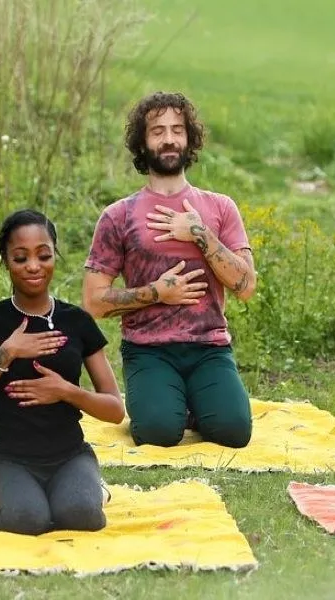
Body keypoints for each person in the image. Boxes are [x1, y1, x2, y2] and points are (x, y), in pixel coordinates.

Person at [82, 91, 256, 449]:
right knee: (158, 433)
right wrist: (157, 293)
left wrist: (198, 233)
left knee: (234, 432)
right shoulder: (118, 215)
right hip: (149, 349)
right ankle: (169, 401)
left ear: (189, 138)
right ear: (142, 143)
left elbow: (246, 285)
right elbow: (94, 303)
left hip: (209, 346)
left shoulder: (220, 207)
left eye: (177, 129)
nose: (169, 138)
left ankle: (195, 401)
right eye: (157, 131)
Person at [0, 209, 124, 536]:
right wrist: (6, 352)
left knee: (83, 516)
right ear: (5, 260)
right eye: (20, 257)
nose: (33, 266)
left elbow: (115, 411)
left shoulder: (78, 322)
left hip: (70, 457)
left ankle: (89, 490)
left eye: (43, 255)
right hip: (11, 460)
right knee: (29, 520)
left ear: (54, 255)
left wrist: (67, 392)